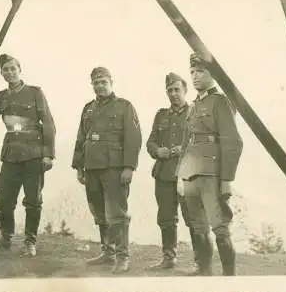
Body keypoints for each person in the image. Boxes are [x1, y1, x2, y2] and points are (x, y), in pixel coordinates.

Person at [0, 53, 56, 258]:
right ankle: (5, 237)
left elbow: (48, 123)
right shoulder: (2, 96)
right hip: (11, 155)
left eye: (13, 68)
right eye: (5, 70)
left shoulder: (35, 92)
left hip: (34, 155)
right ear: (1, 74)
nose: (10, 72)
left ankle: (30, 241)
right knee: (3, 199)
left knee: (33, 200)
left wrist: (48, 155)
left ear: (20, 69)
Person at [176, 52, 243, 276]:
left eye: (200, 71)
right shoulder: (194, 105)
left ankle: (229, 277)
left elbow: (233, 142)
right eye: (192, 72)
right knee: (198, 225)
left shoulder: (220, 102)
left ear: (212, 74)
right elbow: (187, 142)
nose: (195, 76)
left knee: (220, 227)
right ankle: (204, 270)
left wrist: (226, 180)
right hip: (191, 173)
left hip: (212, 174)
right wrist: (180, 174)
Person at [72, 66, 142, 274]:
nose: (100, 86)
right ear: (91, 84)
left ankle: (122, 256)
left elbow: (134, 139)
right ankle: (108, 252)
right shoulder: (88, 108)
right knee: (99, 212)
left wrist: (129, 167)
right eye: (96, 82)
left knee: (117, 214)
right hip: (92, 167)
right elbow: (81, 138)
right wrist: (79, 167)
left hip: (114, 168)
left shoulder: (124, 106)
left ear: (112, 82)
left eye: (103, 81)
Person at [146, 72, 195, 270]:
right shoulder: (161, 115)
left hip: (189, 174)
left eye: (177, 90)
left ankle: (200, 260)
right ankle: (169, 258)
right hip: (164, 174)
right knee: (166, 217)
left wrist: (182, 150)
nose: (173, 94)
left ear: (185, 91)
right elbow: (150, 142)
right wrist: (158, 151)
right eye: (170, 90)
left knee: (193, 218)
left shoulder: (195, 112)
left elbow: (202, 142)